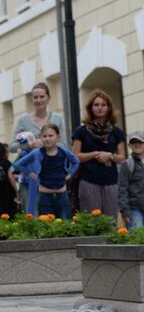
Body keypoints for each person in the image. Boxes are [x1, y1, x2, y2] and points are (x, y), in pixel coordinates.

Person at [10, 83, 67, 212]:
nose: (39, 100)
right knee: (32, 216)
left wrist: (47, 142)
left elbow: (64, 145)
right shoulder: (24, 120)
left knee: (54, 217)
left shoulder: (57, 118)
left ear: (48, 98)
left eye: (42, 96)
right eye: (35, 97)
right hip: (30, 177)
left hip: (53, 176)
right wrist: (26, 144)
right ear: (32, 99)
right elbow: (12, 147)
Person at [71, 89, 126, 218]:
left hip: (111, 180)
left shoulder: (116, 132)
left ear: (108, 107)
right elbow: (75, 156)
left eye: (103, 105)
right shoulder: (82, 131)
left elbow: (122, 157)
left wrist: (109, 156)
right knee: (91, 221)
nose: (100, 108)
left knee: (110, 220)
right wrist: (94, 154)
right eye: (96, 105)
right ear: (91, 108)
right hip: (88, 180)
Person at [13, 124, 79, 220]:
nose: (47, 139)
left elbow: (76, 161)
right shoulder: (37, 152)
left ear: (58, 137)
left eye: (50, 136)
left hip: (62, 195)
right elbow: (20, 163)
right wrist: (30, 173)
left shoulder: (64, 152)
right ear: (40, 138)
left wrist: (70, 174)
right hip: (44, 196)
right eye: (44, 136)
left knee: (65, 224)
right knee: (46, 226)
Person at [118, 130, 144, 231]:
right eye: (134, 142)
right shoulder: (127, 164)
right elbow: (122, 189)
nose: (137, 144)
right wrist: (125, 211)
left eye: (140, 142)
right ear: (129, 145)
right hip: (134, 210)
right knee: (137, 239)